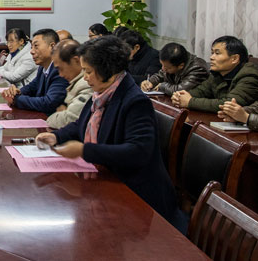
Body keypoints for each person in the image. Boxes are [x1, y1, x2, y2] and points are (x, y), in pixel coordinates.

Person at [35, 36, 182, 229]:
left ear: (108, 71)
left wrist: (84, 150)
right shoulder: (102, 93)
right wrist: (57, 136)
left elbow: (138, 152)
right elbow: (82, 124)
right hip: (106, 180)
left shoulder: (135, 101)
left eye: (88, 71)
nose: (85, 77)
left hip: (136, 197)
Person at [172, 36, 258, 112]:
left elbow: (229, 105)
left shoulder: (249, 76)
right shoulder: (217, 73)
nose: (211, 57)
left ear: (234, 59)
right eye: (212, 53)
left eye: (217, 53)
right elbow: (201, 91)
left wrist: (190, 102)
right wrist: (179, 96)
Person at [3, 29, 68, 114]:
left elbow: (49, 103)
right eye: (32, 47)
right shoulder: (42, 67)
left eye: (36, 46)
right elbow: (33, 87)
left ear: (52, 46)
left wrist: (16, 99)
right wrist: (17, 92)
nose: (31, 51)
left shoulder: (60, 70)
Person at [46, 40, 94, 129]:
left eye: (60, 68)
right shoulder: (76, 82)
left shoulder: (87, 83)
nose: (60, 74)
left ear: (76, 60)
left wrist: (53, 117)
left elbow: (69, 120)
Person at [140, 43, 209, 95]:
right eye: (162, 65)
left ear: (181, 66)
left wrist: (163, 86)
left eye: (167, 67)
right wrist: (150, 82)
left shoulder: (198, 68)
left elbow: (181, 90)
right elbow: (160, 75)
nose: (163, 69)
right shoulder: (170, 62)